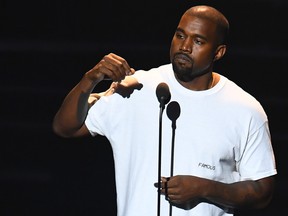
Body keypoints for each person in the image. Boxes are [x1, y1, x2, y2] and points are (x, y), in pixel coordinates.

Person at [52, 5, 277, 216]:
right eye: (180, 35)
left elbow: (262, 191)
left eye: (198, 41)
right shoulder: (136, 87)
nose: (185, 46)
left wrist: (204, 188)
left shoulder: (244, 109)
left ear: (218, 52)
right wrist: (89, 80)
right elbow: (66, 128)